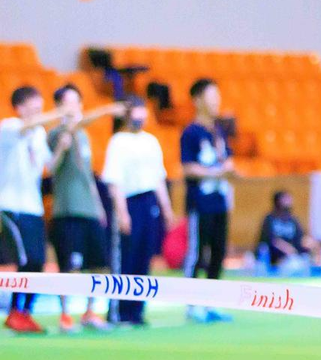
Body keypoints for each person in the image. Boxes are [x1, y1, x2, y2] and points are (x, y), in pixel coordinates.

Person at [47, 84, 125, 332]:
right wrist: (107, 110)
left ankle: (90, 312)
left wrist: (99, 207)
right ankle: (65, 314)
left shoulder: (83, 136)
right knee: (69, 266)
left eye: (77, 102)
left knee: (99, 264)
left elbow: (88, 176)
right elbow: (51, 168)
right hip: (68, 209)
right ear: (59, 107)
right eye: (68, 102)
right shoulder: (56, 134)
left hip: (89, 209)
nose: (74, 107)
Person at [102, 97, 175, 326]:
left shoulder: (151, 141)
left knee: (144, 256)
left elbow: (158, 178)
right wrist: (122, 213)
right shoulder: (118, 141)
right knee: (126, 257)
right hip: (129, 201)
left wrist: (166, 209)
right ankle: (118, 310)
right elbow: (114, 181)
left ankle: (137, 310)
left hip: (148, 202)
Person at [1, 86, 65, 333]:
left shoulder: (39, 134)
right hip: (11, 206)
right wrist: (59, 114)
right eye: (34, 107)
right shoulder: (9, 127)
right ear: (20, 107)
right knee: (23, 259)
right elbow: (25, 127)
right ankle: (14, 310)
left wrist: (61, 148)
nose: (39, 112)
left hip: (33, 207)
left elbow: (49, 165)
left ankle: (25, 311)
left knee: (37, 261)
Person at [180, 78, 235, 323]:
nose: (216, 102)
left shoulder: (218, 132)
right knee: (197, 253)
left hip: (219, 202)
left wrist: (229, 171)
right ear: (198, 100)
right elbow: (188, 168)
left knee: (218, 253)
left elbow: (227, 160)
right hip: (200, 204)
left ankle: (212, 302)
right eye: (212, 97)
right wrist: (216, 173)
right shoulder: (191, 133)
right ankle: (192, 303)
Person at [257, 189, 315, 270]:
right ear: (278, 200)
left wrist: (310, 243)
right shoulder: (270, 218)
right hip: (275, 256)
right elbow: (270, 239)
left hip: (293, 255)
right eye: (285, 198)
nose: (289, 200)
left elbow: (301, 237)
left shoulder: (293, 220)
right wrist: (286, 248)